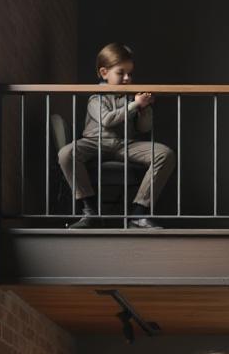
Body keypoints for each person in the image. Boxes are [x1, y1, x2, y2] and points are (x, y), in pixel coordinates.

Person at [59, 42, 175, 229]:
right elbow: (107, 120)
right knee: (66, 154)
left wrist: (145, 109)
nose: (127, 78)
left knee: (165, 154)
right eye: (121, 73)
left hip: (125, 144)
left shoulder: (131, 96)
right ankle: (90, 211)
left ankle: (138, 214)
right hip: (94, 142)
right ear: (104, 73)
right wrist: (134, 105)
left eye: (130, 73)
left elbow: (144, 128)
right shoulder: (95, 97)